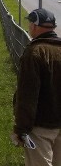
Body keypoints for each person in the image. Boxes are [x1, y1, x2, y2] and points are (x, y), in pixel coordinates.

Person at [12, 9, 61, 165]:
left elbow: (27, 96)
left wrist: (21, 128)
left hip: (40, 127)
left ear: (34, 26)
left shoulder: (34, 53)